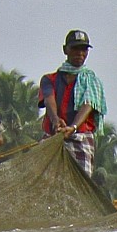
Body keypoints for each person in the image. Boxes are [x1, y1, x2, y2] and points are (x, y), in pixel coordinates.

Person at [38, 30, 106, 176]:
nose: (80, 53)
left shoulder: (91, 80)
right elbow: (49, 99)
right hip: (53, 136)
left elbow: (88, 104)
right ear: (65, 50)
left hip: (80, 139)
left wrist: (73, 127)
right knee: (41, 179)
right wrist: (56, 122)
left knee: (81, 183)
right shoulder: (50, 79)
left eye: (84, 49)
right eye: (75, 48)